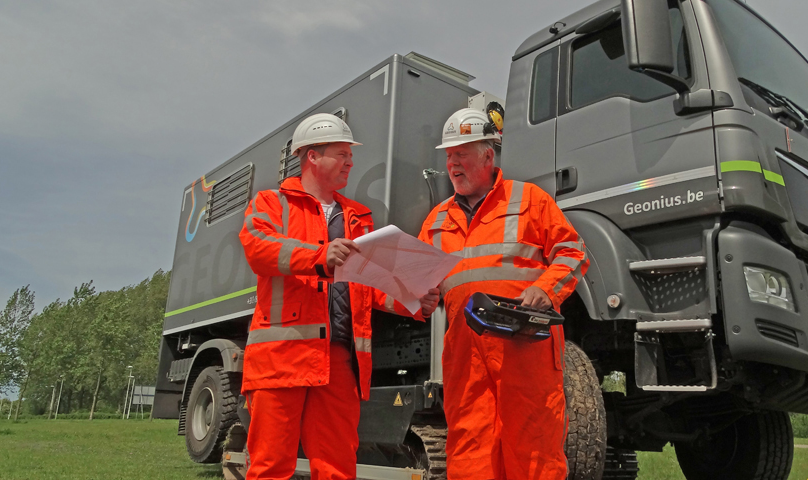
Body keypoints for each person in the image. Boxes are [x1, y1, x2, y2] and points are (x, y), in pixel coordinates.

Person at [240, 113, 440, 480]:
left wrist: (412, 303)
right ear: (312, 156)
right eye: (342, 153)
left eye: (351, 154)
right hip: (283, 357)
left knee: (337, 469)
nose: (351, 161)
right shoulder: (272, 203)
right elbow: (258, 248)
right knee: (270, 466)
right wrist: (318, 256)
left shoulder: (358, 217)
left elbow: (366, 289)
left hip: (340, 363)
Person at [418, 108, 589, 480]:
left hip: (525, 351)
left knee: (533, 455)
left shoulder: (529, 200)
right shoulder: (435, 222)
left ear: (487, 155)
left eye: (462, 153)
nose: (453, 163)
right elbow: (415, 290)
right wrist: (417, 300)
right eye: (449, 155)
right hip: (466, 359)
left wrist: (545, 289)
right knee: (469, 456)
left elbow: (572, 253)